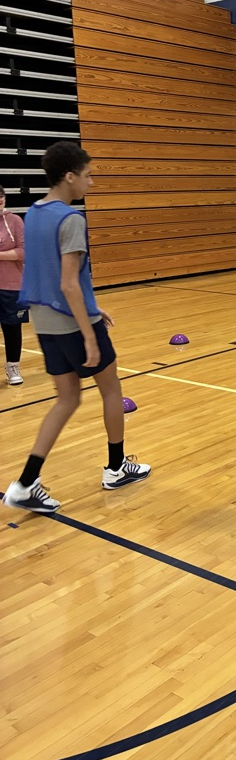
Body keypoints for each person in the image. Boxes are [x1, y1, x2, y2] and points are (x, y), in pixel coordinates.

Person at [2, 141, 150, 514]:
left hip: (44, 320)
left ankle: (25, 482)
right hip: (71, 323)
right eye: (87, 176)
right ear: (70, 176)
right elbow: (68, 282)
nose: (91, 183)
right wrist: (89, 332)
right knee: (111, 390)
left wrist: (93, 305)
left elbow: (51, 275)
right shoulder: (71, 220)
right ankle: (117, 468)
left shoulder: (33, 212)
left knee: (67, 398)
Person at [0, 184, 27, 385]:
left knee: (12, 327)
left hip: (11, 284)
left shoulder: (15, 221)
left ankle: (13, 367)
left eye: (1, 195)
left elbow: (22, 252)